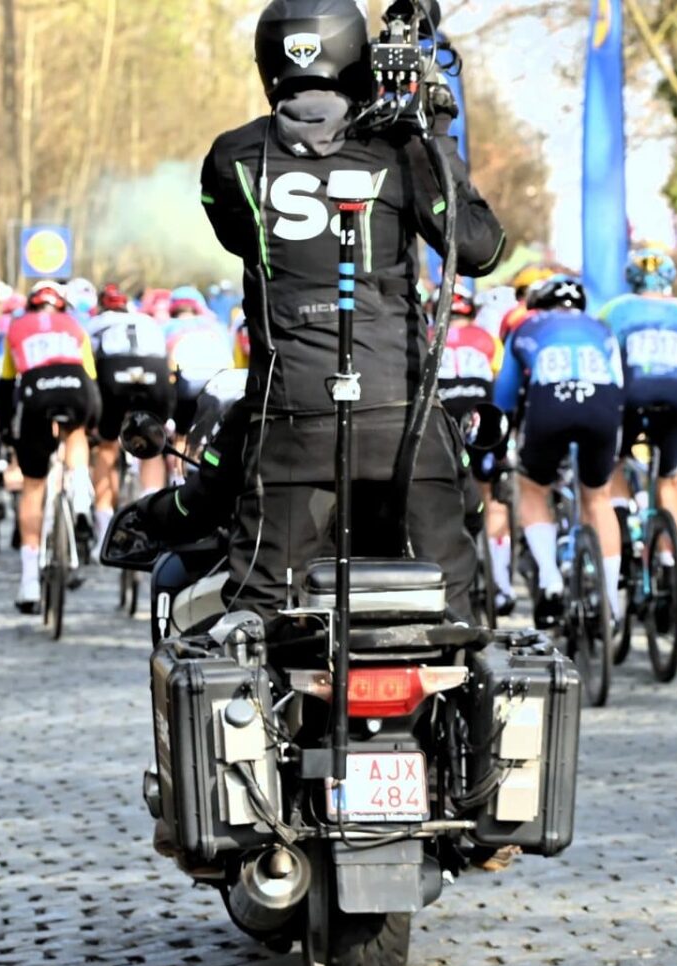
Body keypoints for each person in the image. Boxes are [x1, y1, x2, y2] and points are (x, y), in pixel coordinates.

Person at [197, 0, 506, 624]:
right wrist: (434, 133)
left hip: (289, 423)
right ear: (358, 59)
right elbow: (479, 248)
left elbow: (238, 236)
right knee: (455, 613)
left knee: (258, 617)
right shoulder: (401, 149)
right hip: (402, 422)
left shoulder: (232, 158)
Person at [495, 275, 623, 627]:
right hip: (602, 403)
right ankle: (611, 602)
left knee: (532, 487)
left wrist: (503, 436)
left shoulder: (525, 327)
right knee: (599, 498)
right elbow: (619, 385)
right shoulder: (601, 328)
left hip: (551, 401)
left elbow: (505, 395)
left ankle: (550, 577)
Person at [596, 248, 677, 561]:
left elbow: (605, 358)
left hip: (631, 395)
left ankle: (620, 525)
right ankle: (673, 559)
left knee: (615, 461)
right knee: (669, 479)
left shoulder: (614, 310)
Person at [0, 283, 99, 612]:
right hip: (75, 385)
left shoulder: (16, 326)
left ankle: (28, 582)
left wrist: (5, 430)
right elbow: (90, 377)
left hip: (35, 390)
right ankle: (81, 494)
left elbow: (4, 385)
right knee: (76, 432)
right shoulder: (74, 326)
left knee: (34, 486)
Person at [434, 280, 513, 614]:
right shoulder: (487, 340)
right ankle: (503, 587)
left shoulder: (427, 338)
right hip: (482, 415)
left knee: (440, 488)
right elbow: (498, 381)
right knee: (492, 495)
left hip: (444, 416)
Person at [87, 283, 173, 552]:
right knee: (154, 447)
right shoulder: (146, 321)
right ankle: (152, 516)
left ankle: (104, 529)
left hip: (114, 375)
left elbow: (87, 369)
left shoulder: (94, 324)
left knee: (107, 444)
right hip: (154, 375)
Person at [163, 286, 238, 433]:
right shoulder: (217, 326)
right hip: (222, 386)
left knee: (182, 435)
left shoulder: (167, 327)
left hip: (186, 387)